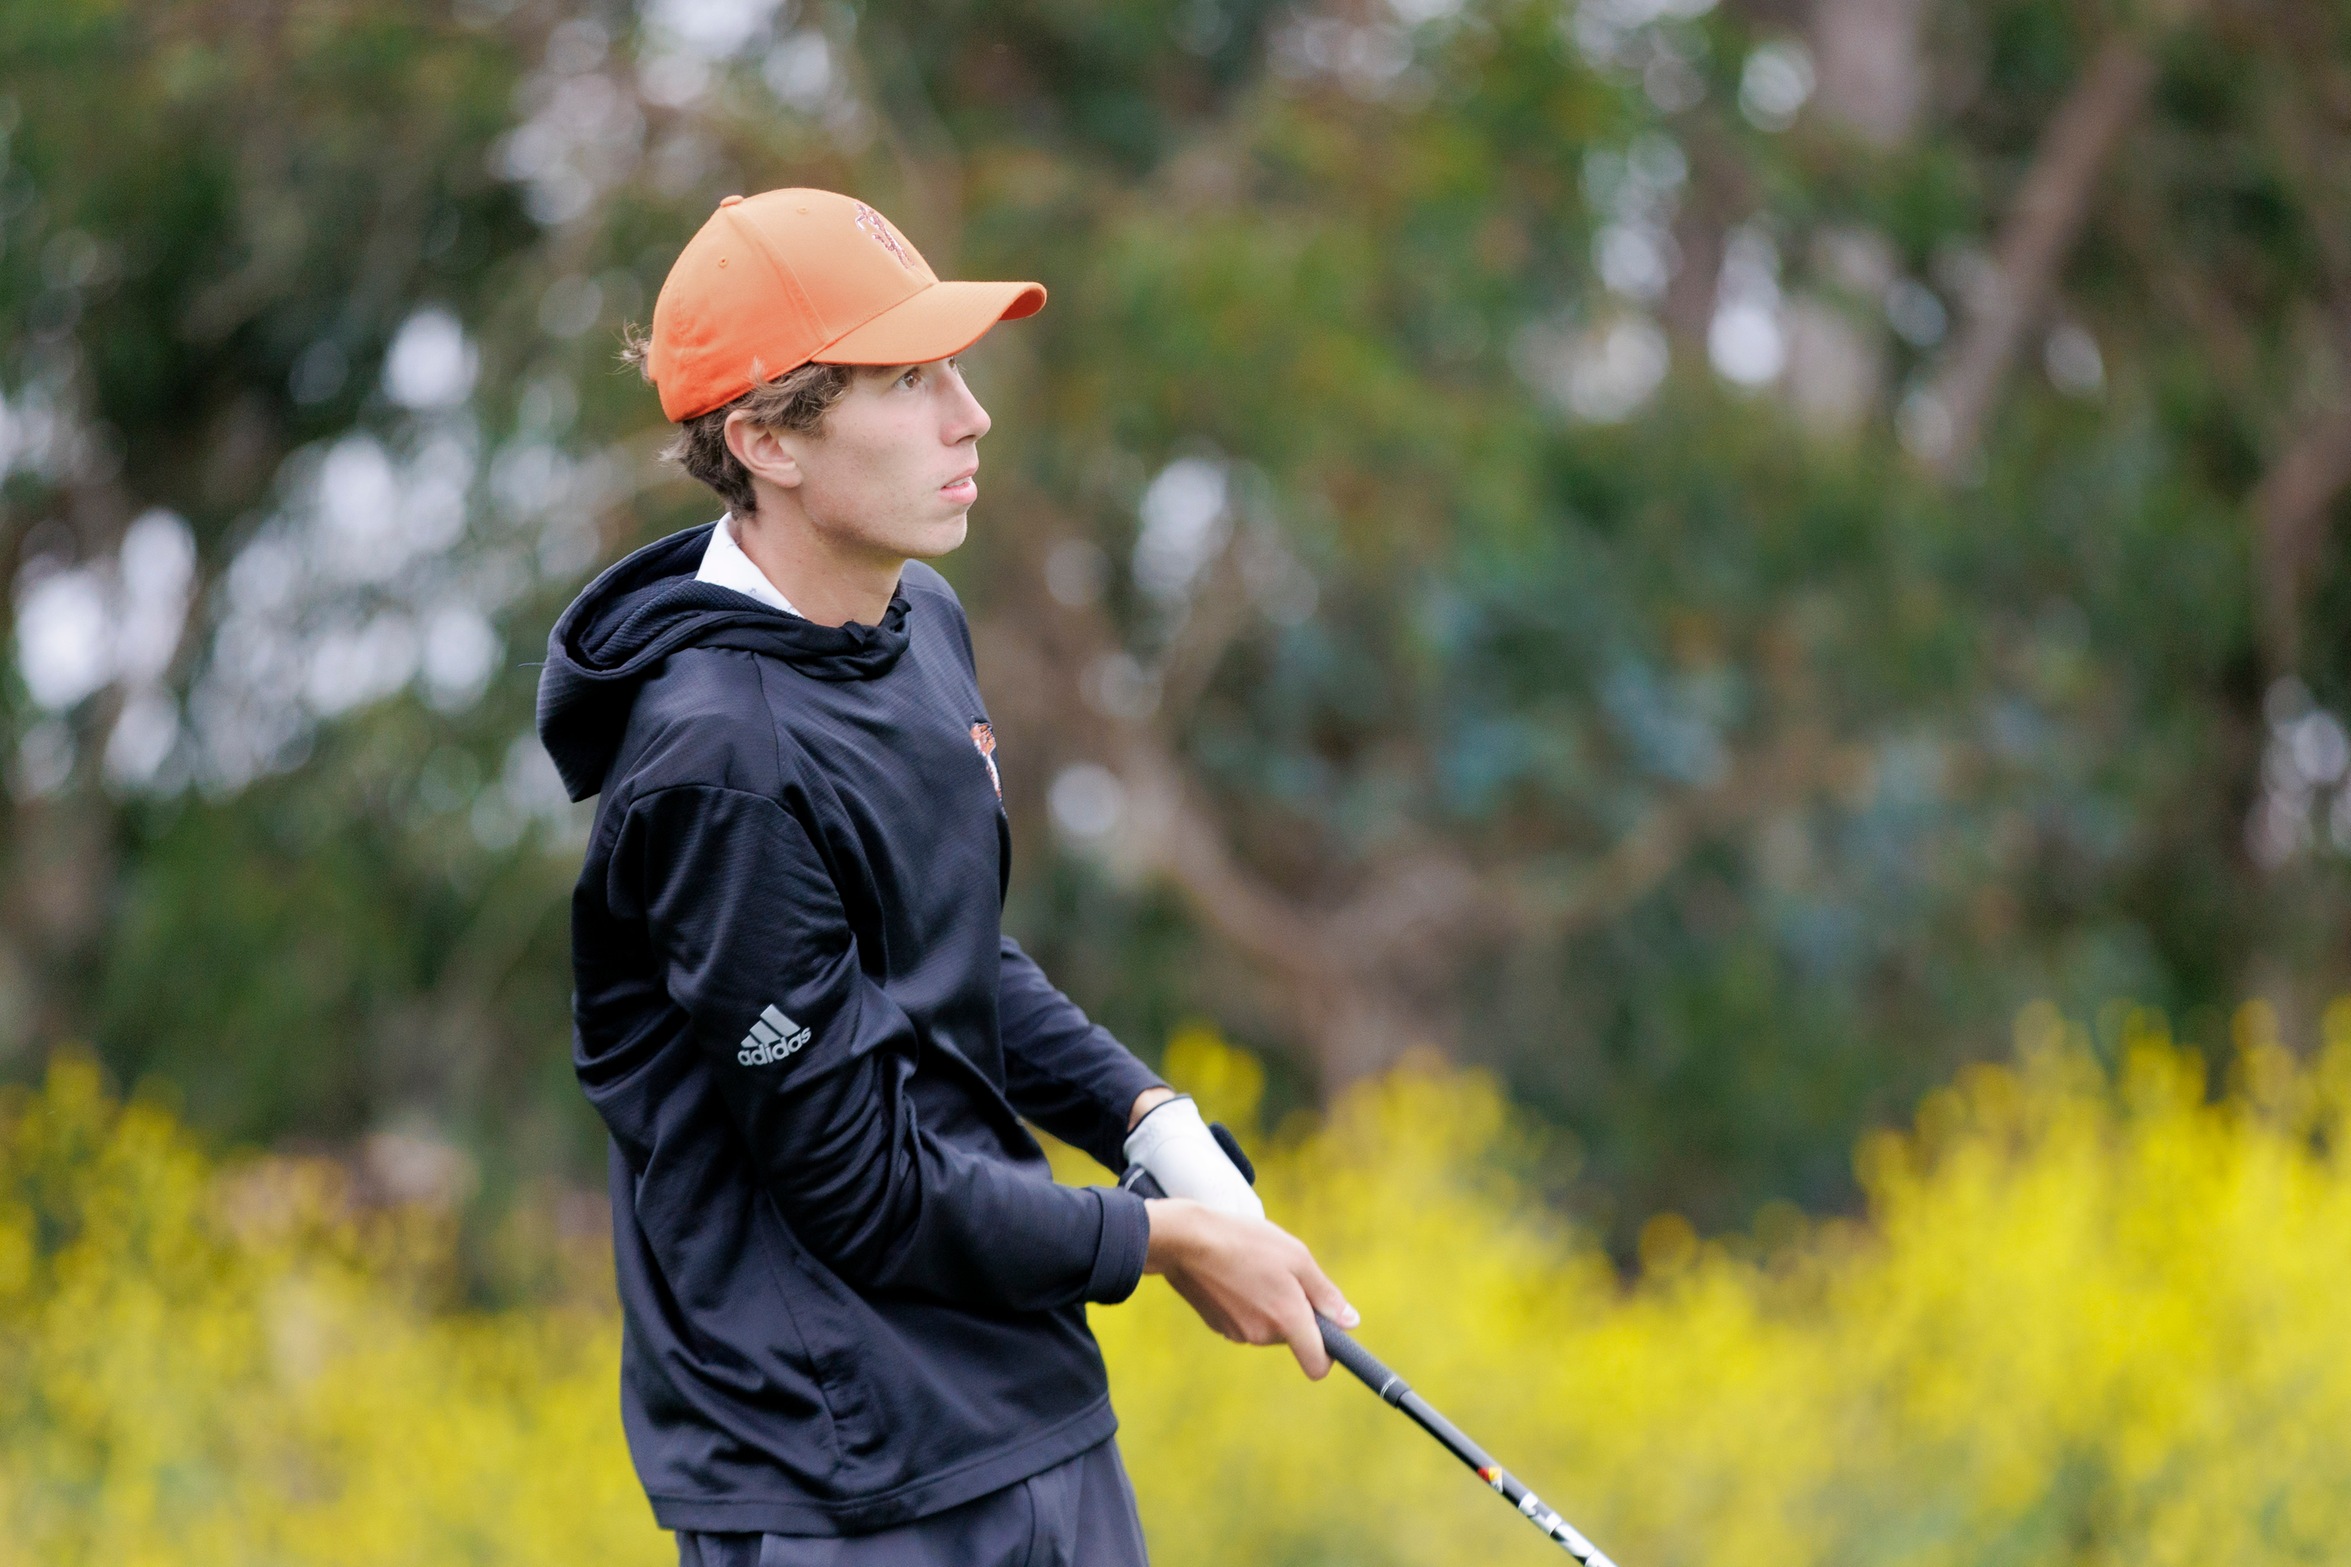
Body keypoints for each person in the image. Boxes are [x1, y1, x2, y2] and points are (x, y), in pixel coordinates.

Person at [535, 188, 1355, 1566]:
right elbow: (859, 1188)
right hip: (836, 1480)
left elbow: (945, 953)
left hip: (1026, 1412)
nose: (971, 418)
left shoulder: (920, 620)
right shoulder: (716, 761)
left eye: (954, 372)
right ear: (767, 442)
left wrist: (1149, 1119)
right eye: (909, 382)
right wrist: (1162, 1243)